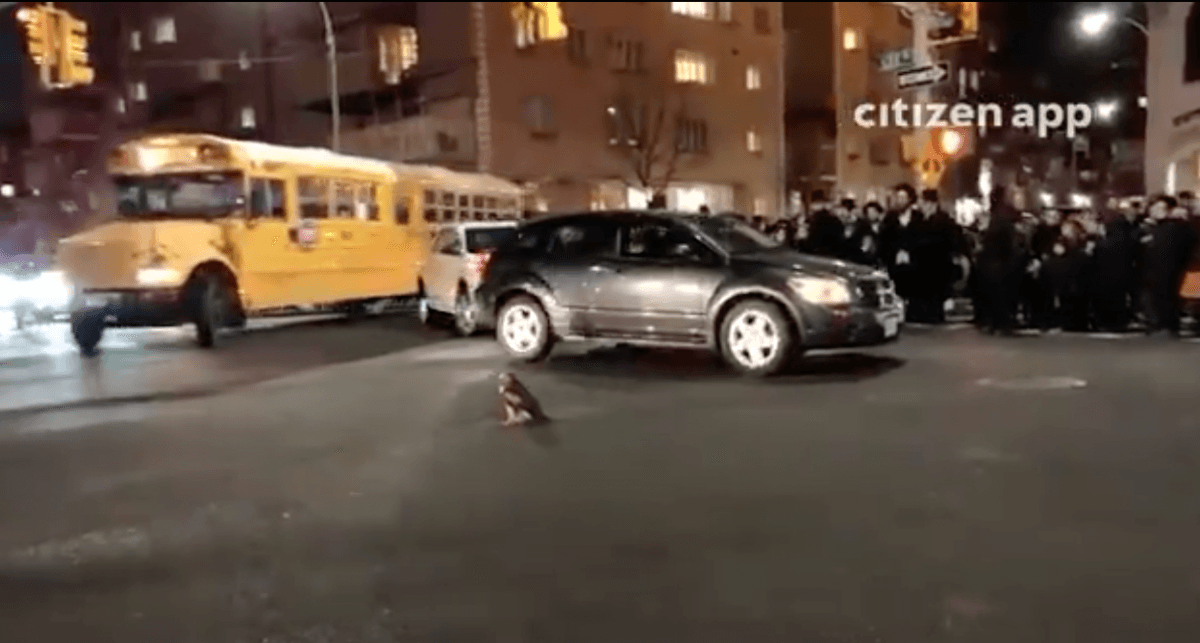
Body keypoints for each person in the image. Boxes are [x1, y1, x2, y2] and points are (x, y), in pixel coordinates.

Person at [1141, 196, 1198, 337]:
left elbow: (1189, 245)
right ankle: (1157, 326)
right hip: (1149, 273)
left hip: (1172, 272)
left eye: (1161, 208)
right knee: (1153, 300)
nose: (1157, 212)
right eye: (1154, 208)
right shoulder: (1147, 228)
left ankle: (1167, 327)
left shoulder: (1178, 228)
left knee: (1168, 300)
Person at [976, 187, 1023, 335]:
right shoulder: (1005, 216)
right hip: (1001, 262)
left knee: (996, 295)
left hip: (994, 262)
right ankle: (1001, 323)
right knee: (1001, 296)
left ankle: (996, 323)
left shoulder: (996, 216)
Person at [879, 184, 924, 320]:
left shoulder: (918, 218)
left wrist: (910, 251)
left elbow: (922, 238)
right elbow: (884, 241)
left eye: (903, 197)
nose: (900, 200)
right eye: (898, 197)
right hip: (894, 263)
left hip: (914, 264)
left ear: (910, 199)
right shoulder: (890, 218)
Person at [913, 189, 958, 324]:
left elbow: (952, 242)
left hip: (937, 267)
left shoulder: (944, 220)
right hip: (921, 267)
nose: (919, 203)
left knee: (935, 300)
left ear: (929, 203)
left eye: (922, 200)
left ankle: (935, 318)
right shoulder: (918, 220)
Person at [806, 192, 845, 257]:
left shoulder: (817, 218)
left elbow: (812, 238)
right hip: (832, 253)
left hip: (817, 252)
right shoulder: (834, 219)